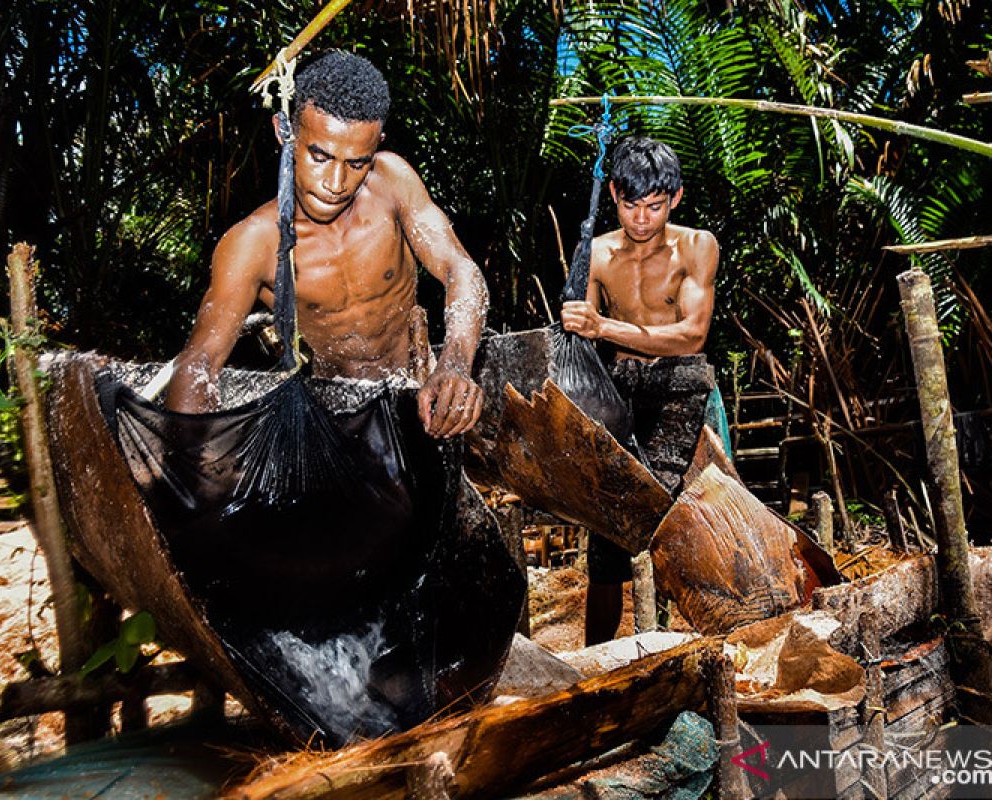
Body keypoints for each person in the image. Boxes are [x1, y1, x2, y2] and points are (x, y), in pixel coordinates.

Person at [166, 50, 486, 438]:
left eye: (356, 163)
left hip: (417, 391)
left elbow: (460, 268)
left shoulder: (391, 183)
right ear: (285, 132)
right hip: (336, 415)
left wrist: (453, 363)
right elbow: (200, 360)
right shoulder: (255, 243)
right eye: (319, 156)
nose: (336, 184)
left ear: (377, 146)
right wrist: (193, 463)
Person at [561, 135, 720, 645]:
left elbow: (693, 335)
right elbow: (577, 337)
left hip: (687, 392)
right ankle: (596, 663)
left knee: (700, 526)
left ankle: (700, 652)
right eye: (631, 206)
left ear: (675, 197)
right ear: (613, 195)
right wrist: (575, 317)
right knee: (608, 542)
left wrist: (602, 327)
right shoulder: (598, 253)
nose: (642, 219)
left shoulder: (696, 246)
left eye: (654, 206)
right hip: (625, 394)